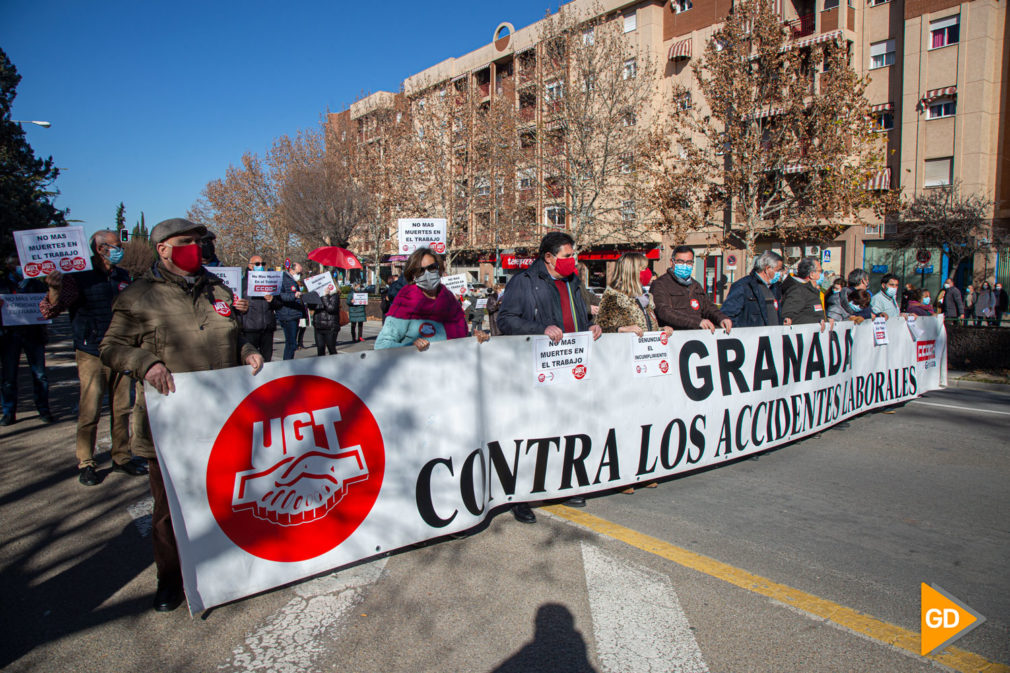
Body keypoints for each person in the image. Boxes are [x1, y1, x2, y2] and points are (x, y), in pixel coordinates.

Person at [99, 218, 262, 613]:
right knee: (170, 509)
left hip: (224, 417)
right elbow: (111, 347)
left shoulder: (217, 289)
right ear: (164, 249)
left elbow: (234, 335)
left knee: (231, 495)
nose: (196, 248)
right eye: (186, 242)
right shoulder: (138, 297)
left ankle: (226, 569)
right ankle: (170, 579)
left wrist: (247, 352)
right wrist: (145, 362)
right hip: (170, 421)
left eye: (199, 241)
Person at [497, 232, 602, 521]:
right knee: (532, 434)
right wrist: (540, 328)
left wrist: (591, 327)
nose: (573, 260)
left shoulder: (572, 281)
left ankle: (562, 485)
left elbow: (578, 317)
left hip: (568, 368)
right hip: (535, 369)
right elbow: (505, 320)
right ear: (549, 257)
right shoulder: (524, 282)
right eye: (568, 256)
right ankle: (522, 497)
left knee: (567, 428)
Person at [39, 229, 147, 485]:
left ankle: (121, 457)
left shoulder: (122, 276)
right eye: (115, 245)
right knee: (90, 410)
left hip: (121, 350)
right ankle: (86, 462)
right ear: (100, 249)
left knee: (121, 408)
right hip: (92, 352)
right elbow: (49, 310)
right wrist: (54, 289)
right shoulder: (79, 278)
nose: (120, 249)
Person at [595, 253, 673, 494]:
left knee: (645, 419)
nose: (647, 273)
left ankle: (642, 469)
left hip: (646, 368)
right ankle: (622, 474)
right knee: (625, 422)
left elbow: (651, 327)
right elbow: (600, 327)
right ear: (632, 270)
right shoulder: (613, 296)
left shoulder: (644, 298)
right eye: (643, 268)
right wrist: (620, 328)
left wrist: (663, 330)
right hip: (622, 369)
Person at [375, 248, 488, 351]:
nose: (427, 273)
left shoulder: (450, 302)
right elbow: (381, 345)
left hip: (450, 369)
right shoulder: (405, 301)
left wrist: (474, 339)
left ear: (439, 269)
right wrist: (409, 348)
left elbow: (459, 339)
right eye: (420, 270)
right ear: (413, 275)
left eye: (432, 267)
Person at [0, 257, 52, 426]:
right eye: (16, 263)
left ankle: (44, 410)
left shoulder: (36, 285)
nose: (20, 267)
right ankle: (8, 412)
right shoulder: (2, 285)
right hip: (9, 336)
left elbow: (50, 303)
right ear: (9, 266)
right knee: (9, 377)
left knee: (40, 375)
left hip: (33, 334)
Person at [651, 245, 732, 333]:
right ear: (672, 262)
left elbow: (708, 307)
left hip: (696, 336)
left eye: (689, 262)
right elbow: (664, 311)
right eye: (680, 262)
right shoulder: (661, 284)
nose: (685, 265)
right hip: (674, 338)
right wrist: (696, 322)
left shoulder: (695, 285)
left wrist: (722, 318)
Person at [720, 251, 791, 328]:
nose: (780, 274)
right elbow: (727, 316)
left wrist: (781, 320)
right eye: (778, 270)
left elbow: (771, 313)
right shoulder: (743, 286)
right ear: (767, 269)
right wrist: (745, 334)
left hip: (771, 337)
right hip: (752, 338)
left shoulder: (774, 287)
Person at [238, 255, 279, 362]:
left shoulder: (270, 281)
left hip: (267, 328)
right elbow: (236, 304)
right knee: (252, 361)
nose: (260, 266)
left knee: (267, 360)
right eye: (257, 264)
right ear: (250, 266)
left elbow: (279, 304)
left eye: (262, 264)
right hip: (250, 329)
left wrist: (272, 300)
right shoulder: (243, 283)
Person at [780, 256, 833, 328]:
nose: (822, 275)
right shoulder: (798, 291)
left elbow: (810, 313)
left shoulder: (812, 290)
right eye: (820, 271)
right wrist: (816, 322)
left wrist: (826, 321)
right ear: (812, 274)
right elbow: (788, 319)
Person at [275, 263, 305, 359]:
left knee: (291, 343)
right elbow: (281, 296)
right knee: (291, 343)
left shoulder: (293, 281)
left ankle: (289, 362)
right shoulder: (283, 279)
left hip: (294, 314)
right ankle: (287, 364)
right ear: (292, 270)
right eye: (298, 272)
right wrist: (294, 296)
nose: (299, 275)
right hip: (287, 315)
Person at [309, 285, 341, 355]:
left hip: (330, 326)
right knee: (320, 348)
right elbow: (312, 307)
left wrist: (325, 296)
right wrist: (310, 298)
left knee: (331, 348)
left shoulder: (334, 295)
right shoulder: (318, 295)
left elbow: (331, 308)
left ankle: (334, 365)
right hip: (319, 325)